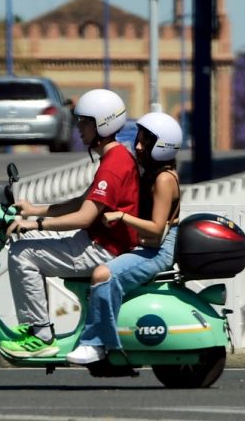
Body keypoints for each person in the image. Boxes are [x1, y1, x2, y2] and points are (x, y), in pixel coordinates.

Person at [0, 89, 140, 357]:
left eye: (85, 122)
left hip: (103, 248)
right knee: (26, 244)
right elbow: (84, 201)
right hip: (97, 241)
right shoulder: (114, 157)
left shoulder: (113, 164)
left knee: (22, 254)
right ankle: (36, 328)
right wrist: (34, 209)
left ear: (103, 124)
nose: (79, 128)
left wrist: (37, 224)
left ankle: (40, 335)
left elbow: (85, 217)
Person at [65, 112, 184, 364]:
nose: (138, 146)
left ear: (163, 146)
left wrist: (122, 216)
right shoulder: (153, 173)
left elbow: (155, 228)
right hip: (150, 246)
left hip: (159, 250)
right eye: (138, 140)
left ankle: (96, 344)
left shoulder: (164, 179)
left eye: (146, 142)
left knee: (102, 274)